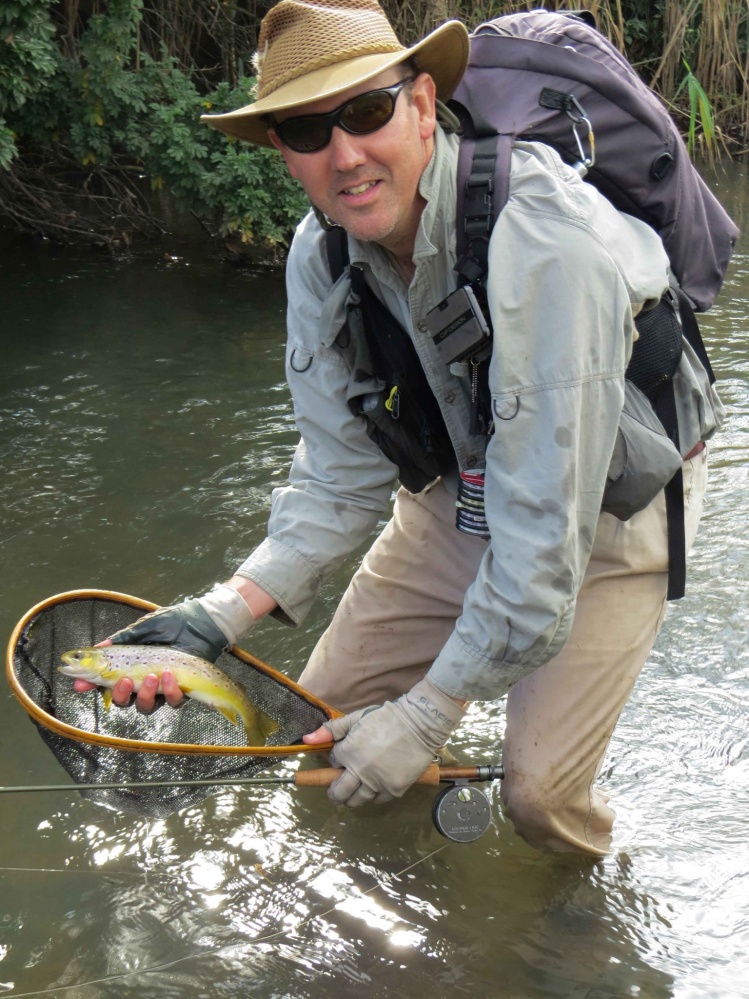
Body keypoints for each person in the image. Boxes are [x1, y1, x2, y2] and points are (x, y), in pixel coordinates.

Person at [74, 0, 723, 854]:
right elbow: (338, 475)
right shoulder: (321, 252)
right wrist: (221, 613)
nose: (344, 154)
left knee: (537, 803)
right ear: (283, 154)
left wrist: (423, 715)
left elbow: (540, 538)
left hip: (609, 502)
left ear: (421, 104)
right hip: (464, 481)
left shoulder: (547, 241)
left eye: (367, 111)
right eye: (308, 132)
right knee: (317, 744)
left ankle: (576, 931)